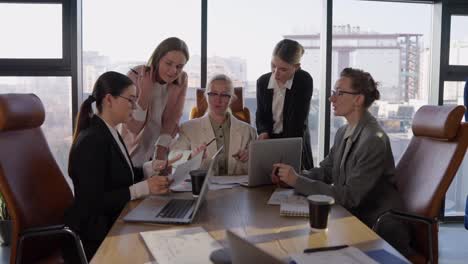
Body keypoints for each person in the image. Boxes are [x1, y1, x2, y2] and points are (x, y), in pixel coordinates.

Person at [271, 68, 412, 256]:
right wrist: (291, 176)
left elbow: (349, 197)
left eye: (339, 93)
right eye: (333, 93)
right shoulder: (343, 132)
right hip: (352, 219)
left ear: (358, 99)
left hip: (376, 228)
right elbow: (326, 171)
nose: (332, 99)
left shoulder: (373, 139)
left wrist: (297, 181)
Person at [64, 71, 181, 260]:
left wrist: (149, 168)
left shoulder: (109, 132)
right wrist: (143, 188)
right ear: (109, 99)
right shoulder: (92, 141)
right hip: (95, 237)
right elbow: (93, 202)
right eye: (131, 100)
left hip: (113, 222)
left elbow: (118, 177)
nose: (135, 107)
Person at [120, 37, 189, 168]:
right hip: (132, 151)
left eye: (179, 66)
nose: (174, 71)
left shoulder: (182, 79)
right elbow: (133, 128)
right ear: (158, 59)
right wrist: (145, 93)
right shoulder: (135, 75)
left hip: (159, 151)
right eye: (168, 63)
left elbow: (173, 118)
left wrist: (160, 153)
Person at [170, 74, 257, 176]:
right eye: (213, 94)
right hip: (202, 189)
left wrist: (249, 158)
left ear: (231, 98)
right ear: (206, 96)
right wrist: (191, 156)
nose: (218, 100)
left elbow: (258, 167)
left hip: (237, 190)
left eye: (224, 95)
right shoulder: (188, 128)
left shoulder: (249, 131)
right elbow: (172, 158)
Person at [256, 39, 314, 170]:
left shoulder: (304, 81)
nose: (276, 73)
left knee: (296, 184)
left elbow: (297, 121)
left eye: (283, 69)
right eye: (273, 66)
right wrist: (263, 131)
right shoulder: (262, 82)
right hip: (269, 141)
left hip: (294, 141)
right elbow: (261, 115)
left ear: (296, 67)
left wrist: (284, 152)